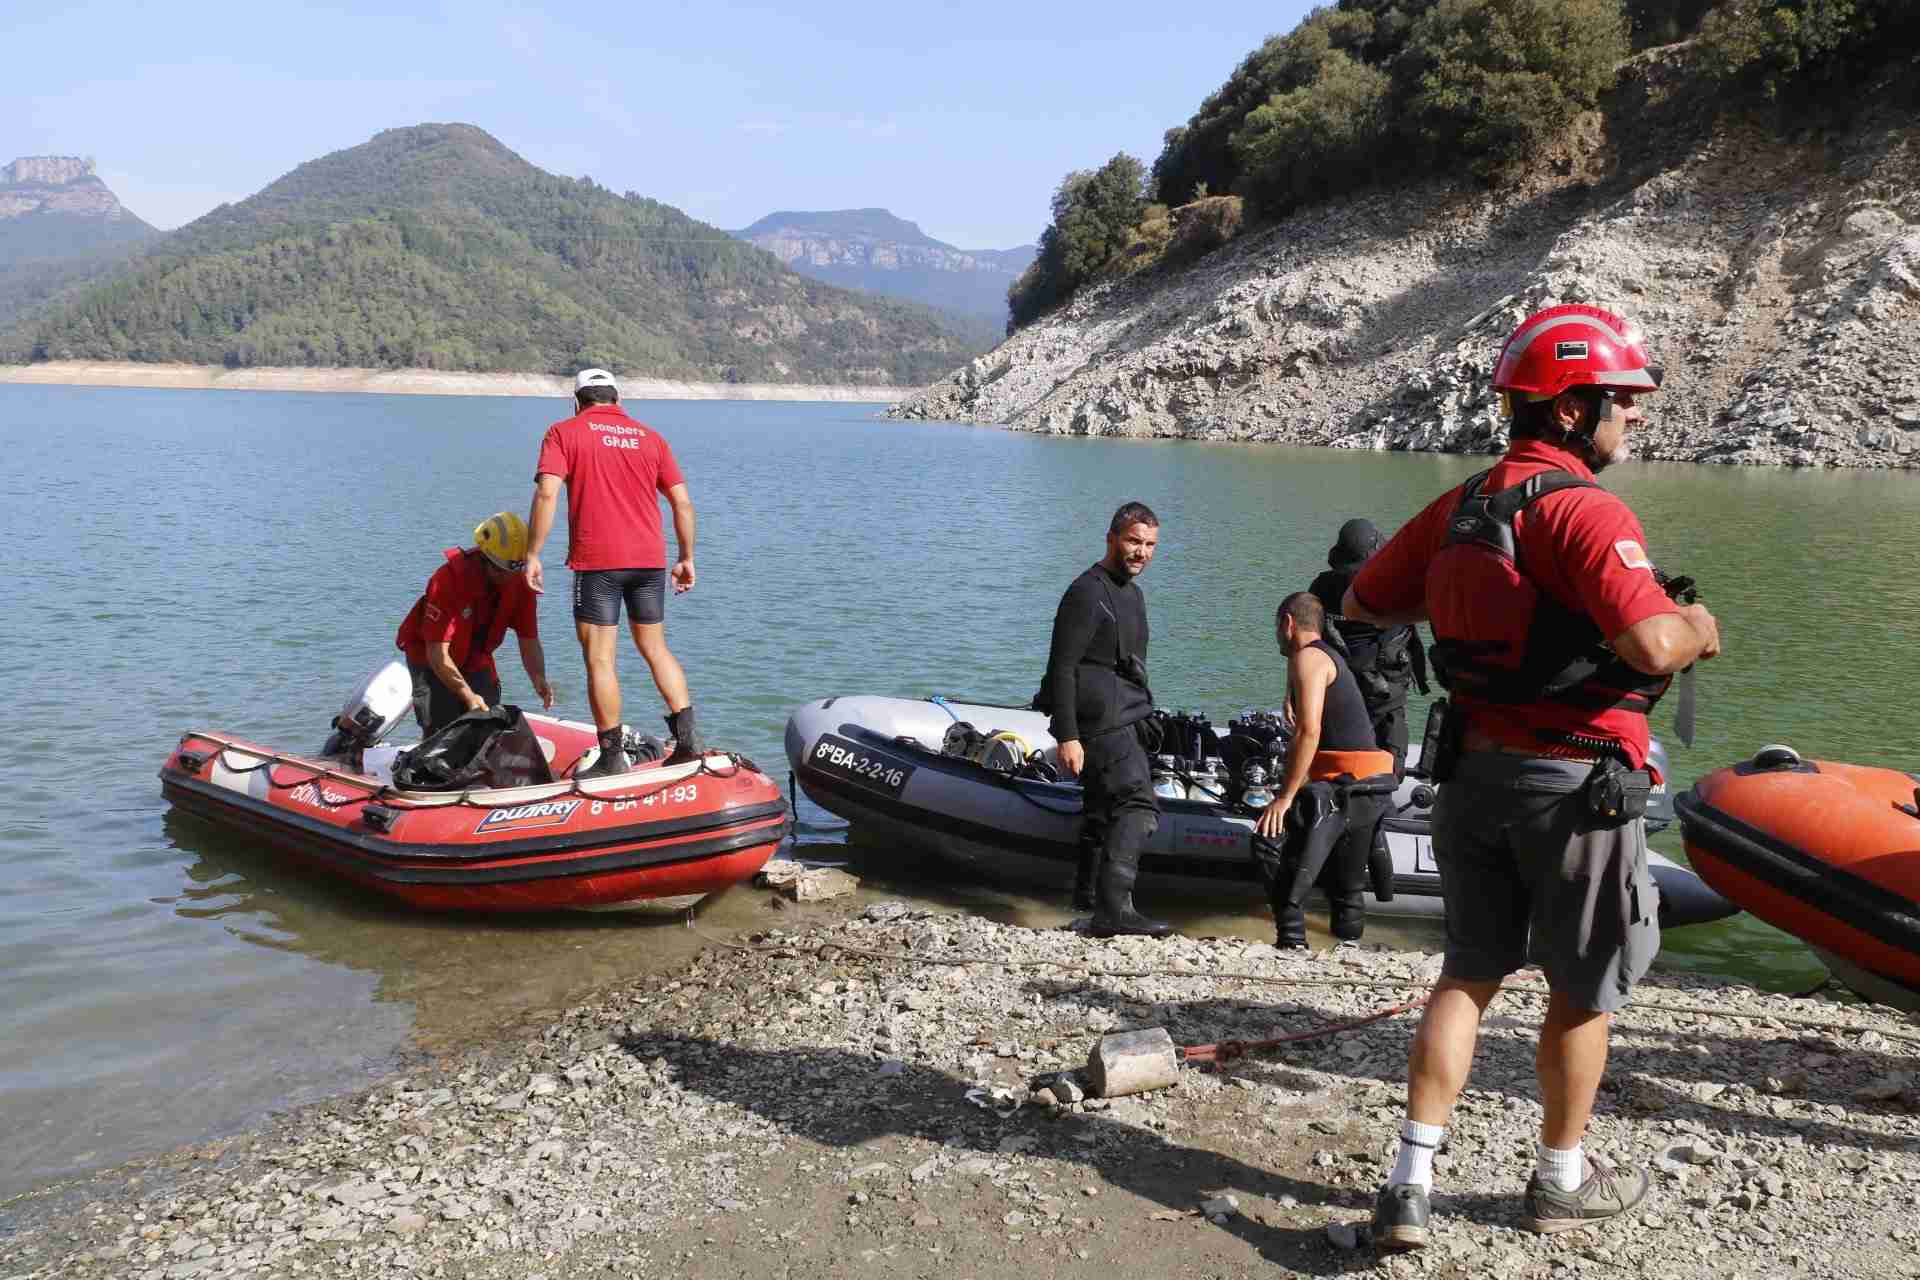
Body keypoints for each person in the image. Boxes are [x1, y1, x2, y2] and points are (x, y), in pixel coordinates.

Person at [1342, 305, 1722, 1248]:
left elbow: (1363, 599)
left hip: (1472, 774)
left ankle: (1409, 1182)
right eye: (1618, 403)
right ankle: (1559, 1180)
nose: (1629, 419)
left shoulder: (1461, 504)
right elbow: (1649, 640)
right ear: (1565, 410)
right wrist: (1700, 628)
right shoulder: (1585, 508)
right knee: (1580, 988)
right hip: (1577, 781)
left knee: (1468, 972)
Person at [525, 369, 701, 779]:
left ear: (577, 401)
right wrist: (687, 556)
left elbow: (547, 492)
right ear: (618, 400)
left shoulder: (563, 432)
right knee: (655, 649)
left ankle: (611, 757)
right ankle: (690, 743)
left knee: (600, 659)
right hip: (649, 560)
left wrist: (533, 553)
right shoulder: (650, 437)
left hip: (597, 562)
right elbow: (683, 503)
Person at [1036, 502, 1171, 938]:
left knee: (1101, 812)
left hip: (1125, 712)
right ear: (1111, 538)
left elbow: (1132, 663)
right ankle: (1116, 913)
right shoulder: (1086, 592)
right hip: (1099, 720)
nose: (1142, 552)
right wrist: (1069, 735)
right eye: (1134, 541)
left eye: (1150, 544)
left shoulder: (1131, 593)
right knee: (1137, 805)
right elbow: (1062, 666)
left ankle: (1088, 902)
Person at [1253, 592, 1396, 947]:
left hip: (1342, 788)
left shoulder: (1309, 659)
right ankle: (1349, 948)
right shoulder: (1328, 656)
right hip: (1373, 787)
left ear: (1287, 623)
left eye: (1277, 627)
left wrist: (1284, 798)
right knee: (1347, 885)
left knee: (1270, 842)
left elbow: (1309, 731)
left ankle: (1292, 942)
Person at [395, 512, 553, 737]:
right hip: (431, 660)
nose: (507, 578)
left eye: (513, 571)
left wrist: (538, 677)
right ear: (484, 558)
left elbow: (528, 638)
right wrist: (467, 695)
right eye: (501, 571)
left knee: (487, 726)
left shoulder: (518, 581)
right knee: (442, 729)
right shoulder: (447, 581)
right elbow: (437, 654)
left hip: (476, 657)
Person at [1309, 518, 1429, 777]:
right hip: (1380, 685)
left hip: (1343, 680)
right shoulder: (1394, 584)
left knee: (1346, 739)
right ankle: (1380, 787)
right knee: (1387, 744)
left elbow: (1306, 641)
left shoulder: (1322, 585)